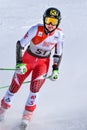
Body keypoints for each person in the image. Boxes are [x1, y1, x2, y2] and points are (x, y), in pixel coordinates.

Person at [0, 7, 64, 129]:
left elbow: (58, 53)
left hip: (43, 64)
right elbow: (20, 44)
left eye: (54, 22)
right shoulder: (36, 29)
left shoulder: (59, 35)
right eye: (49, 20)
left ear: (58, 23)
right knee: (14, 86)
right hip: (27, 60)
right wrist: (19, 63)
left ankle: (27, 116)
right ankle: (2, 109)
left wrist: (55, 69)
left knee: (35, 88)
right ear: (44, 20)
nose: (50, 24)